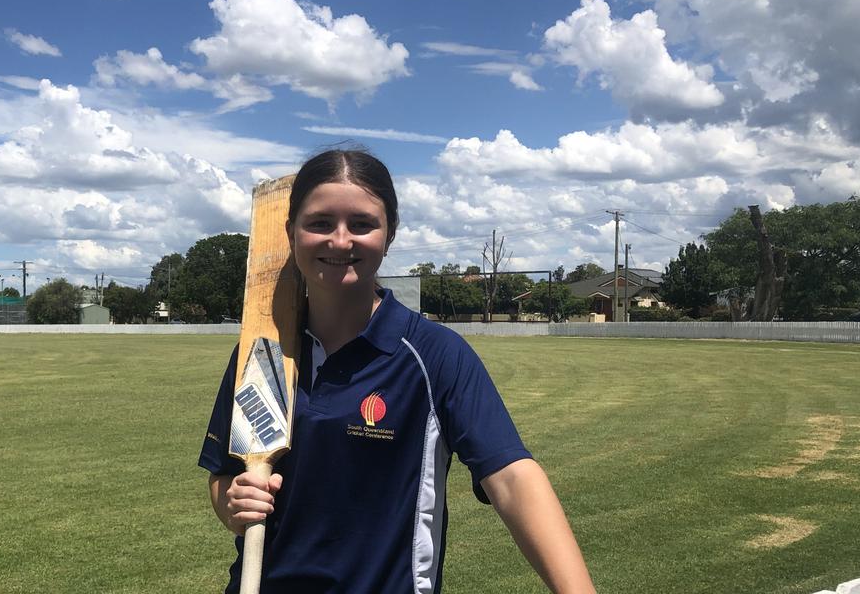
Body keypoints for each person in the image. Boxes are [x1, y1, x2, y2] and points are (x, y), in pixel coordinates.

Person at [199, 148, 595, 593]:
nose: (341, 240)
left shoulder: (435, 355)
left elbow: (512, 476)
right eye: (320, 223)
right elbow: (224, 475)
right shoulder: (262, 351)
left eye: (362, 223)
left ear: (389, 235)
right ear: (290, 232)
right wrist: (232, 505)